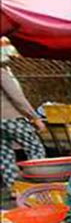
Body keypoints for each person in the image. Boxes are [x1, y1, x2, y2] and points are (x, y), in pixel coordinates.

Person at [1, 61, 47, 193]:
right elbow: (17, 97)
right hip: (11, 118)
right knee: (34, 147)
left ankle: (15, 188)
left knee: (5, 155)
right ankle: (38, 182)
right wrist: (34, 117)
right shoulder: (2, 73)